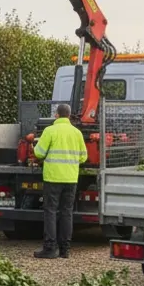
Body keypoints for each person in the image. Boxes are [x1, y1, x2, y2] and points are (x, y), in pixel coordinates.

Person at [32, 103, 88, 259]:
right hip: (71, 179)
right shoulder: (77, 133)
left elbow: (39, 153)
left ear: (56, 115)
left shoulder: (50, 131)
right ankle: (65, 249)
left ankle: (50, 248)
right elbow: (83, 157)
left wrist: (33, 147)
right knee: (67, 212)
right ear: (69, 115)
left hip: (53, 178)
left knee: (50, 211)